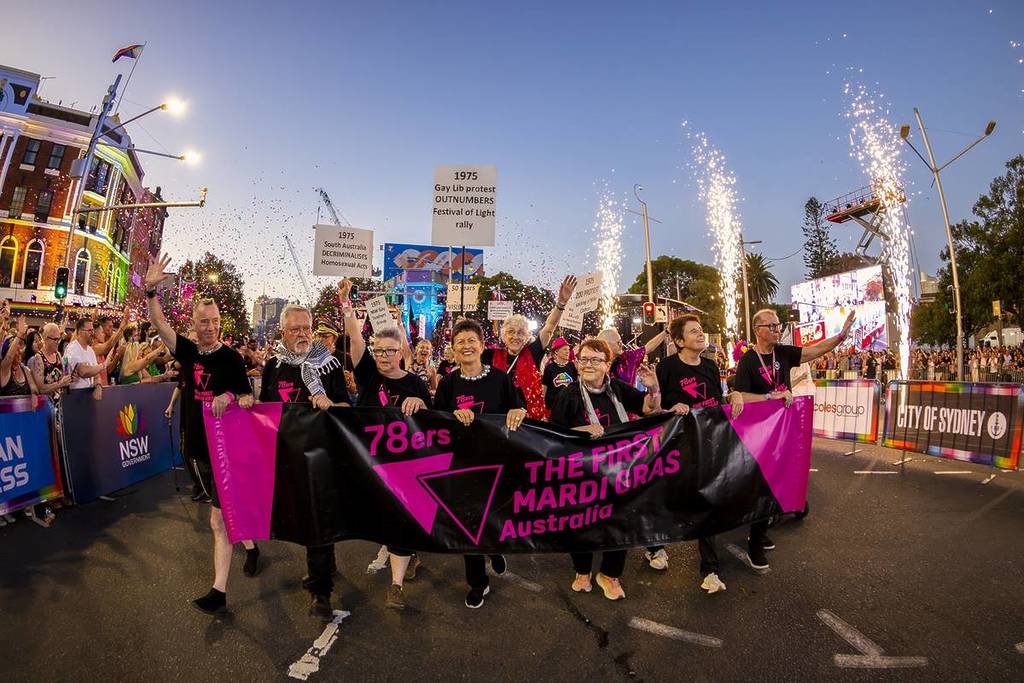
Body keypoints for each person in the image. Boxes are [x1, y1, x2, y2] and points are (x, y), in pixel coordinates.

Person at [144, 254, 258, 616]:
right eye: (203, 321)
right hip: (198, 447)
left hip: (227, 450)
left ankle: (218, 591)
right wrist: (150, 291)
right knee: (224, 514)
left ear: (221, 322)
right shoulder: (189, 351)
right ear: (193, 323)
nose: (210, 327)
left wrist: (230, 396)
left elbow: (249, 397)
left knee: (217, 520)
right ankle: (252, 547)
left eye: (215, 321)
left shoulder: (232, 359)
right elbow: (159, 323)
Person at [733, 307, 855, 571]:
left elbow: (815, 351)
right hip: (759, 433)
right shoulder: (748, 361)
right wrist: (770, 397)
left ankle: (762, 531)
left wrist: (840, 337)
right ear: (758, 330)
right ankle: (754, 545)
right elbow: (740, 397)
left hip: (784, 429)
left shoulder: (784, 353)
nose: (778, 330)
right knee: (761, 485)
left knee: (778, 480)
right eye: (773, 326)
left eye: (779, 325)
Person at [338, 279, 433, 610]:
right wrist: (346, 302)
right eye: (378, 350)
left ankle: (395, 585)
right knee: (374, 515)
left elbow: (433, 425)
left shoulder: (415, 384)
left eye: (389, 351)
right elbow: (353, 334)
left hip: (403, 466)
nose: (383, 356)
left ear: (401, 353)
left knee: (399, 520)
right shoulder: (367, 374)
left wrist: (421, 407)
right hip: (367, 462)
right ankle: (412, 552)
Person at [549, 338, 662, 601]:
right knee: (580, 525)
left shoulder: (619, 390)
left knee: (620, 522)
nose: (588, 364)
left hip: (619, 473)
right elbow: (552, 437)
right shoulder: (568, 395)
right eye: (584, 359)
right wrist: (583, 431)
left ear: (607, 365)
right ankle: (582, 571)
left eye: (595, 360)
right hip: (581, 476)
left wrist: (653, 387)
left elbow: (649, 409)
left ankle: (610, 575)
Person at [259, 303, 350, 621]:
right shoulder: (273, 366)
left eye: (306, 328)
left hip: (320, 456)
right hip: (285, 456)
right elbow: (264, 410)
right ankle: (325, 564)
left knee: (316, 520)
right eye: (295, 329)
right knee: (298, 519)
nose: (302, 335)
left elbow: (345, 408)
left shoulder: (330, 365)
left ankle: (321, 592)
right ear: (282, 332)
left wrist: (331, 404)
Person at [434, 318, 527, 609]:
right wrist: (452, 417)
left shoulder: (500, 378)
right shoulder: (448, 382)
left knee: (493, 518)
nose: (466, 346)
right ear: (453, 349)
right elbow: (437, 421)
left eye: (471, 340)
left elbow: (519, 406)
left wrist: (518, 411)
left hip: (496, 462)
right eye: (460, 342)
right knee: (467, 524)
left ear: (482, 345)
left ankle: (493, 548)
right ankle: (478, 582)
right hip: (462, 465)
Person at [653, 314, 743, 591]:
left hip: (708, 444)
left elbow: (718, 399)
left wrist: (734, 395)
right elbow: (656, 407)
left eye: (701, 330)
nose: (701, 335)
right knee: (670, 498)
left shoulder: (711, 366)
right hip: (677, 445)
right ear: (679, 341)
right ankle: (655, 546)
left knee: (708, 501)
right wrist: (670, 408)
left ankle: (711, 570)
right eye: (693, 332)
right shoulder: (666, 367)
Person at [483, 275, 578, 420]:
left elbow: (550, 327)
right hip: (498, 420)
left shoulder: (533, 352)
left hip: (530, 421)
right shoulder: (490, 355)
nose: (515, 336)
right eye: (511, 332)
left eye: (521, 332)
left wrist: (561, 303)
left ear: (527, 336)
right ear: (503, 335)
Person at [596, 326, 668, 387]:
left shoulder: (628, 358)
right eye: (619, 343)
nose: (622, 345)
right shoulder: (595, 362)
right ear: (607, 345)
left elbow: (649, 347)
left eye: (621, 342)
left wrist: (666, 332)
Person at [0, 315, 34, 396]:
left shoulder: (25, 369)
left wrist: (34, 393)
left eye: (20, 349)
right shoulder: (4, 369)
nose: (20, 352)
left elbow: (33, 387)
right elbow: (9, 357)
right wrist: (19, 335)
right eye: (16, 350)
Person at [542, 336, 577, 409]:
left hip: (568, 407)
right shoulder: (549, 367)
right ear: (556, 351)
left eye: (568, 349)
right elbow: (544, 387)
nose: (568, 351)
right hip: (552, 407)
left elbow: (576, 385)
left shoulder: (572, 366)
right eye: (564, 349)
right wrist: (542, 405)